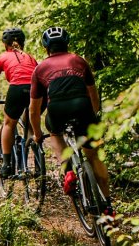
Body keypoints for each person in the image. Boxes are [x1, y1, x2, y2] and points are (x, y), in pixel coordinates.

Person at [29, 26, 114, 217]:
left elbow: (34, 109)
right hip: (82, 107)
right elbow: (93, 96)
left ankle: (67, 171)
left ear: (46, 48)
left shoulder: (40, 68)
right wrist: (92, 117)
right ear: (67, 44)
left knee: (55, 133)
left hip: (57, 110)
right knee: (94, 156)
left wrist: (36, 133)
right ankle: (108, 206)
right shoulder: (79, 60)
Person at [0, 27, 38, 178]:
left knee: (8, 124)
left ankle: (6, 165)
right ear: (23, 43)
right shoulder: (31, 58)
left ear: (6, 45)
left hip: (17, 88)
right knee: (30, 121)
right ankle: (39, 161)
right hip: (37, 90)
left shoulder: (2, 58)